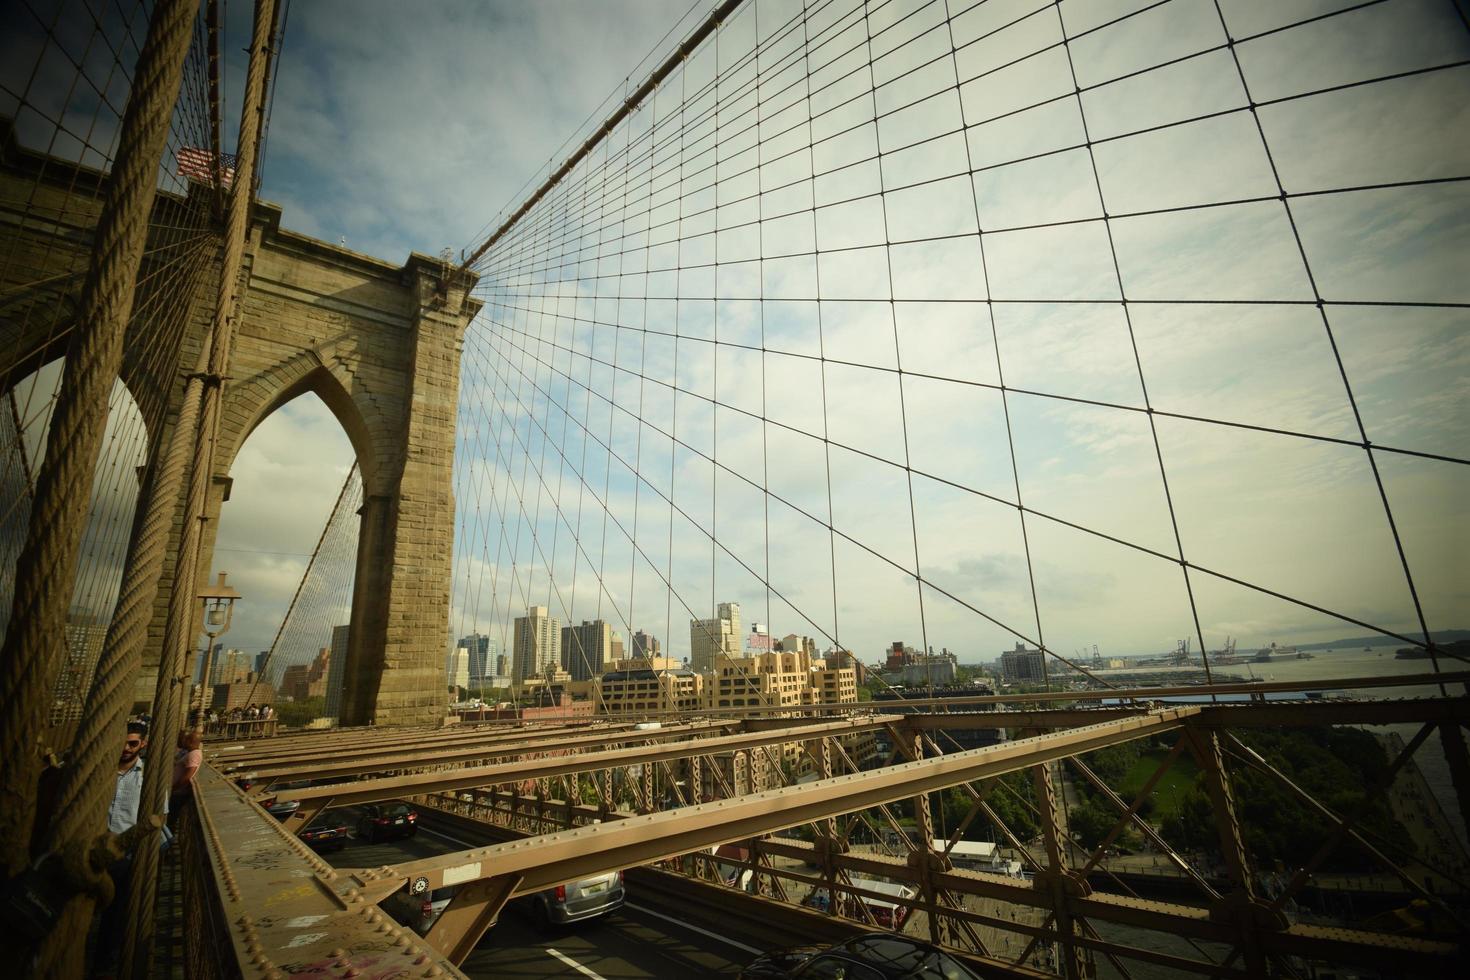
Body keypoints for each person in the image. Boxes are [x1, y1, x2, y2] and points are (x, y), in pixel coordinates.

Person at [99, 722, 167, 976]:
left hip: (125, 853)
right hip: (92, 846)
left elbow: (161, 814)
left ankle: (104, 961)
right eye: (123, 743)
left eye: (133, 743)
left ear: (144, 744)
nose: (127, 749)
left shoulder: (149, 776)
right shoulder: (101, 770)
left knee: (114, 912)